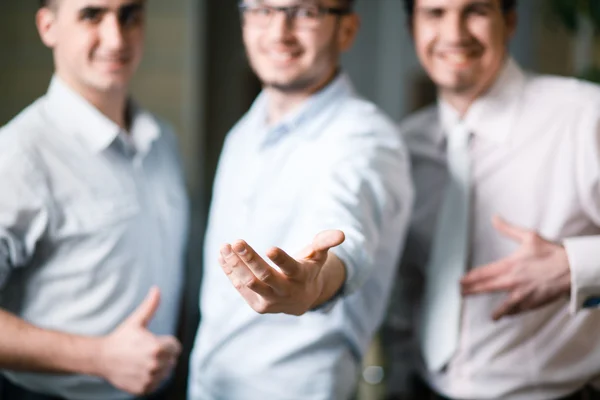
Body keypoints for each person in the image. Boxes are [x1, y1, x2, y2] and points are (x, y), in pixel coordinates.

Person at [187, 0, 414, 399]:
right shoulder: (245, 132)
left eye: (305, 12)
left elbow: (347, 235)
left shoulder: (364, 137)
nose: (279, 31)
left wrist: (313, 285)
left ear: (346, 29)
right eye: (261, 9)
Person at [382, 0, 600, 399]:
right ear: (412, 27)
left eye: (476, 11)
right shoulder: (404, 146)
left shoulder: (584, 116)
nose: (454, 34)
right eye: (435, 13)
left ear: (510, 21)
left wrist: (577, 264)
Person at [0, 0, 188, 399]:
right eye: (91, 15)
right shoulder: (19, 154)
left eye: (129, 16)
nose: (116, 38)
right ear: (48, 26)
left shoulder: (163, 142)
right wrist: (99, 356)